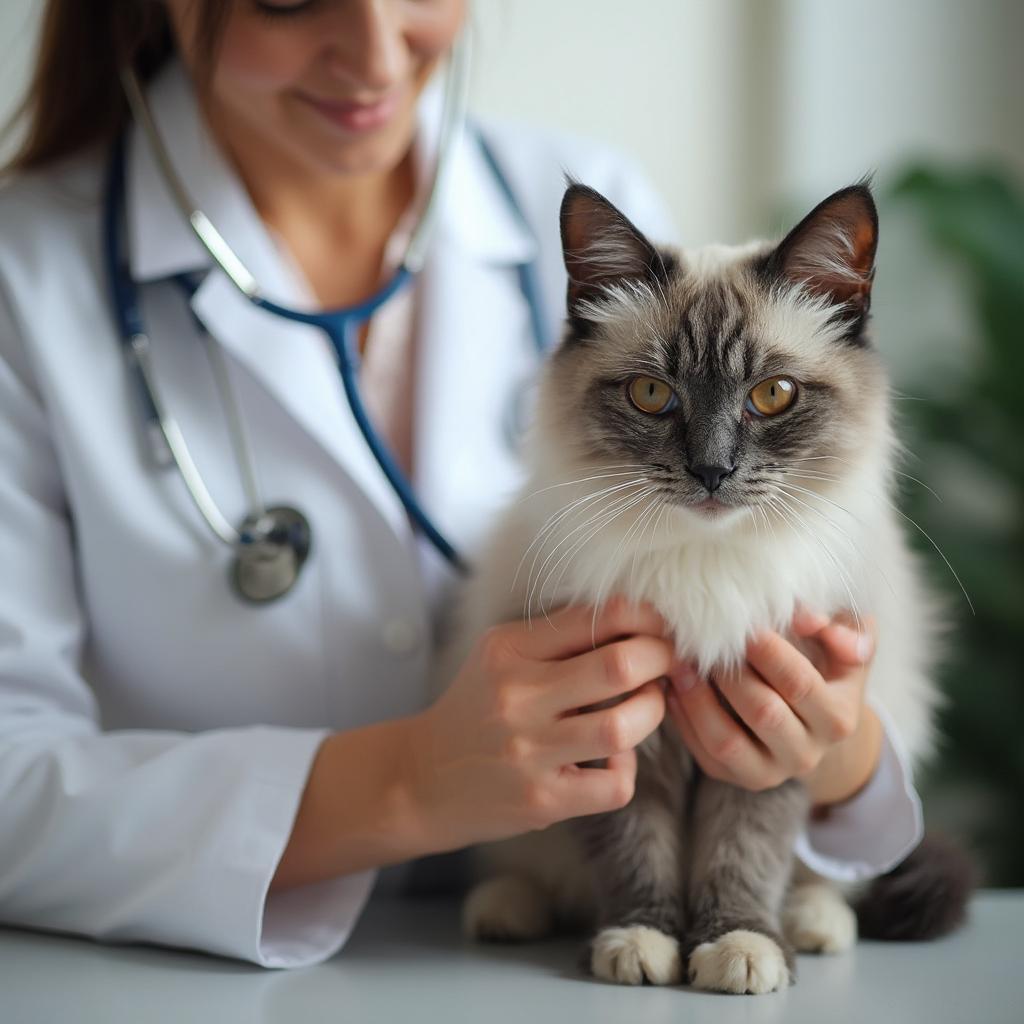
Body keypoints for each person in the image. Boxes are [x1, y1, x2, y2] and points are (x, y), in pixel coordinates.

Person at [0, 0, 921, 969]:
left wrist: (833, 753)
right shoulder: (25, 280)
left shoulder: (578, 194)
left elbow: (821, 734)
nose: (372, 51)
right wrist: (405, 781)